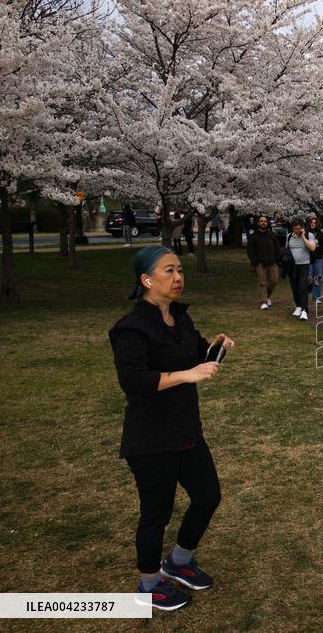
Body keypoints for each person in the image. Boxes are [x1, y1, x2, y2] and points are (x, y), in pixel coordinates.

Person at [109, 246, 234, 611]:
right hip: (150, 439)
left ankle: (178, 562)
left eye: (180, 270)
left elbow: (197, 355)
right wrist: (187, 375)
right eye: (168, 271)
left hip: (185, 431)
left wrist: (215, 348)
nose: (178, 277)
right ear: (147, 280)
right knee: (156, 514)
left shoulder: (179, 317)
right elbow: (134, 382)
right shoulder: (129, 328)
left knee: (208, 496)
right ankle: (149, 585)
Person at [285, 217, 316, 320]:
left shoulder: (308, 235)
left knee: (302, 287)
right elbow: (287, 249)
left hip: (304, 265)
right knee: (294, 287)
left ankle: (304, 310)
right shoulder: (289, 236)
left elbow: (312, 248)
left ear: (302, 228)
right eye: (295, 229)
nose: (296, 231)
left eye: (298, 228)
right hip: (292, 266)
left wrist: (303, 236)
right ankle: (298, 306)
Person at [246, 215, 280, 310]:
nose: (263, 222)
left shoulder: (272, 235)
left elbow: (277, 248)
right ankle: (263, 301)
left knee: (274, 281)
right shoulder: (254, 236)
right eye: (261, 221)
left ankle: (267, 296)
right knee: (262, 283)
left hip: (272, 262)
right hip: (260, 263)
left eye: (265, 221)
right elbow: (250, 250)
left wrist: (277, 259)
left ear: (267, 223)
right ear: (258, 223)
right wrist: (255, 262)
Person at [306, 215, 323, 305]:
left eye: (315, 223)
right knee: (309, 278)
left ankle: (316, 297)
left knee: (317, 278)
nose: (313, 224)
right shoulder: (305, 234)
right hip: (308, 259)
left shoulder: (321, 234)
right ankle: (308, 290)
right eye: (311, 222)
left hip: (318, 259)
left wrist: (317, 246)